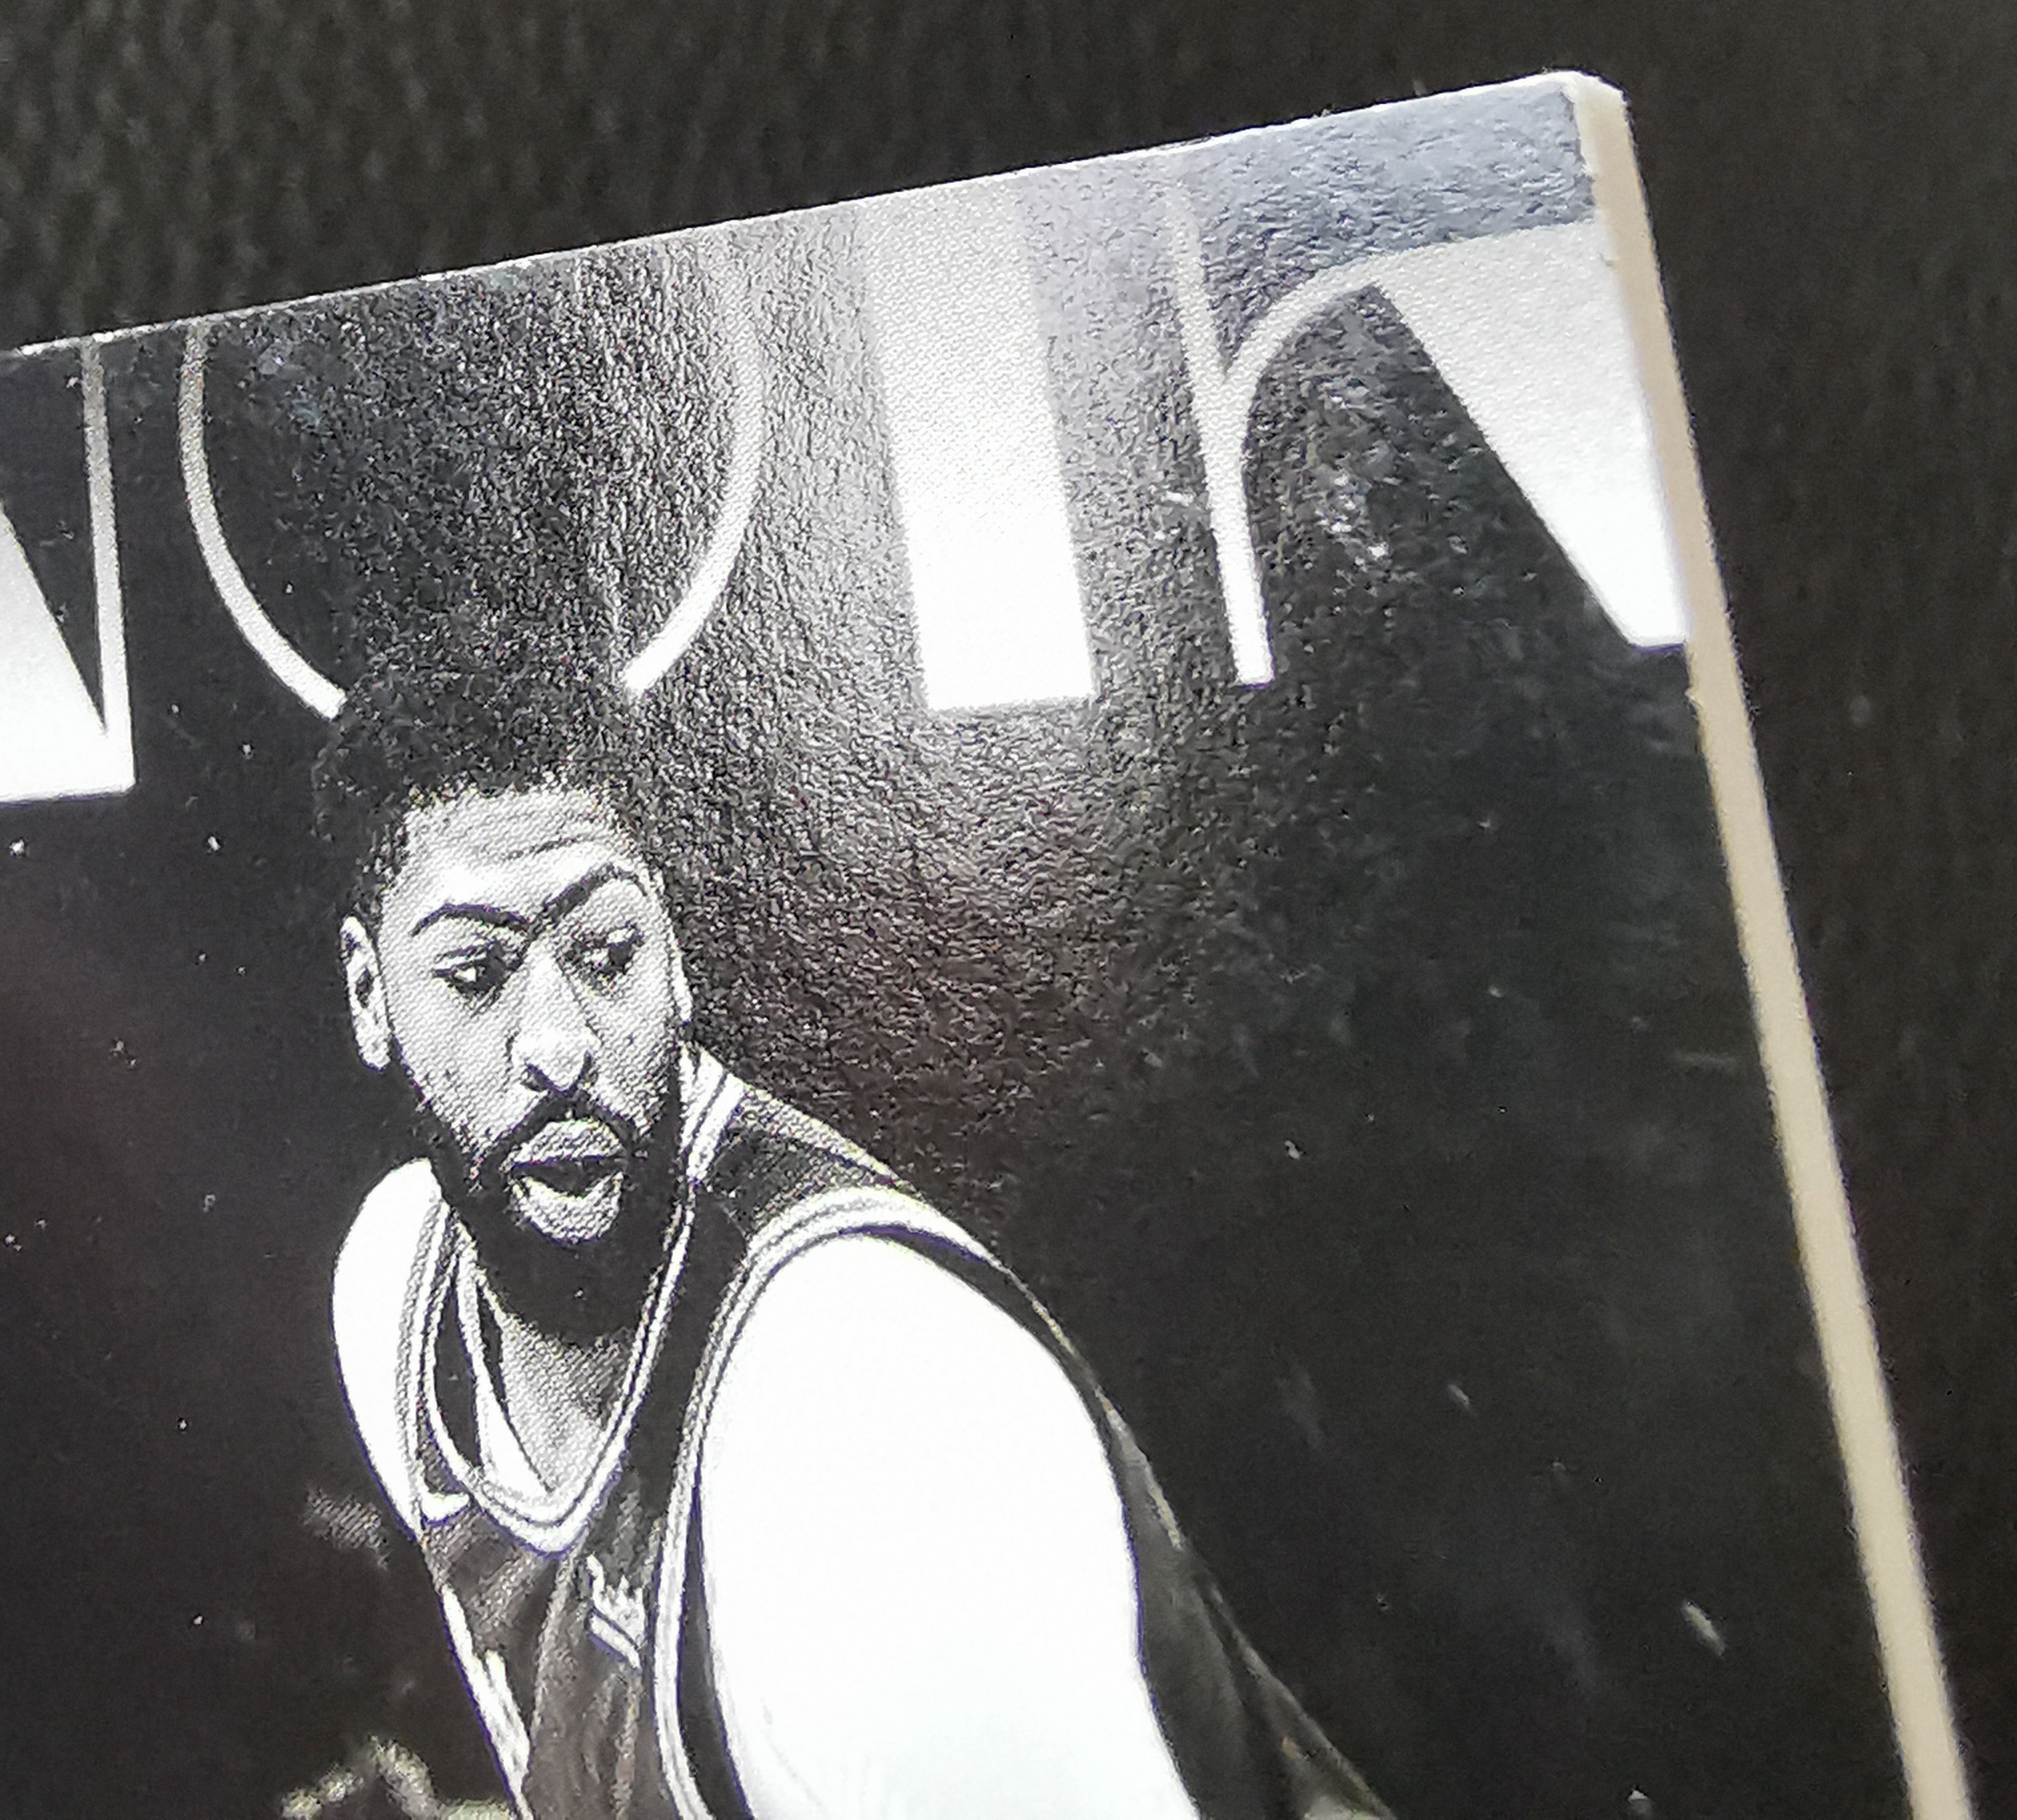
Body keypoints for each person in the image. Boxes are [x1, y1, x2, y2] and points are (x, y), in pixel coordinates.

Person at [320, 616, 1388, 1820]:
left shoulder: (855, 1428)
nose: (558, 1046)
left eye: (607, 953)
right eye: (476, 976)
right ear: (371, 997)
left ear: (675, 953)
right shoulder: (399, 1295)